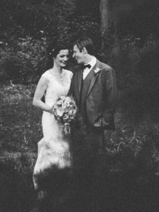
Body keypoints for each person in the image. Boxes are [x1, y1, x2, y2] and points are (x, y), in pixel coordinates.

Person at [67, 38, 117, 204]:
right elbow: (71, 96)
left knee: (97, 165)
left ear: (84, 51)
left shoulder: (105, 70)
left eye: (75, 52)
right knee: (78, 164)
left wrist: (101, 123)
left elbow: (111, 101)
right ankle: (80, 201)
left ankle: (98, 202)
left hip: (95, 127)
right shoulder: (76, 71)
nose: (73, 55)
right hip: (77, 127)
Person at [32, 43, 74, 194]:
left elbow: (70, 96)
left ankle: (63, 184)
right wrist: (54, 110)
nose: (65, 59)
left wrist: (68, 114)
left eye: (67, 56)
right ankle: (44, 183)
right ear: (53, 56)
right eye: (61, 56)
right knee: (53, 147)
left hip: (66, 119)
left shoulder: (70, 74)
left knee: (65, 148)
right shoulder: (46, 77)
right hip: (51, 118)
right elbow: (36, 101)